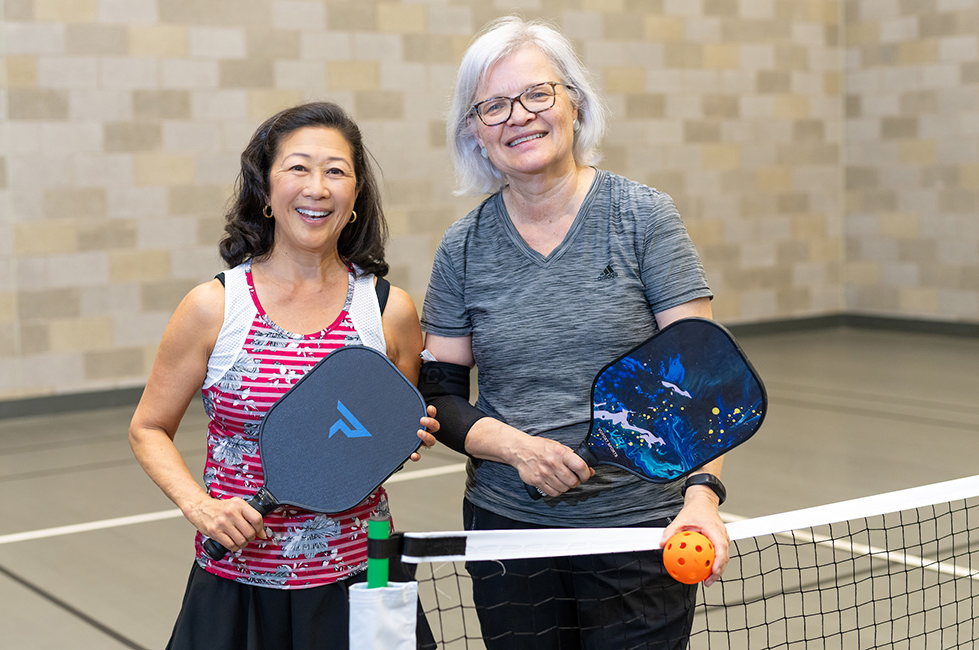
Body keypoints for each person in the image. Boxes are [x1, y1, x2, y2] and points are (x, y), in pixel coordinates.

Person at [418, 16, 729, 650]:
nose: (519, 116)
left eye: (538, 93)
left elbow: (703, 372)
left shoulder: (643, 216)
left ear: (575, 105)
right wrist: (514, 448)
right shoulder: (463, 248)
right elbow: (440, 395)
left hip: (639, 530)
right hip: (509, 533)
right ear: (474, 132)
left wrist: (703, 496)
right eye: (494, 105)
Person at [129, 101, 439, 650]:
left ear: (356, 196)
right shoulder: (213, 307)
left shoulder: (390, 311)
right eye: (298, 168)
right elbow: (148, 427)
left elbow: (380, 431)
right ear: (265, 191)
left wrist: (402, 437)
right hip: (238, 581)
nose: (317, 187)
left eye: (336, 171)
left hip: (363, 577)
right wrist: (199, 505)